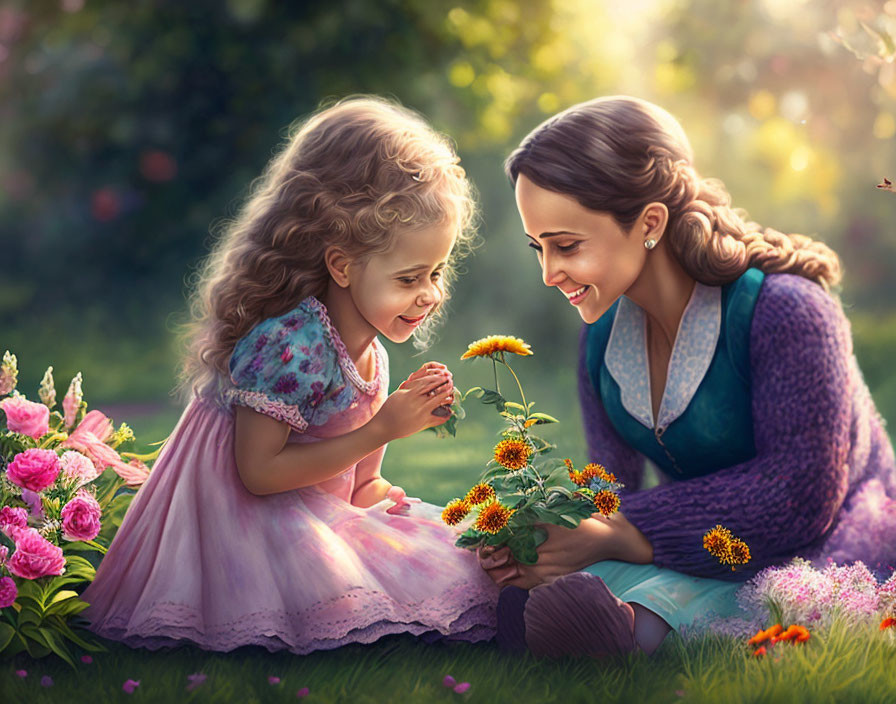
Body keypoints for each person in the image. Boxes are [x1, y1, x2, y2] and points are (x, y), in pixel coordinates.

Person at [479, 95, 896, 658]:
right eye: (539, 249)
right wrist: (551, 530)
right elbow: (611, 484)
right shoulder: (601, 336)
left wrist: (628, 531)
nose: (549, 274)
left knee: (765, 596)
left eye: (567, 246)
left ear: (650, 222)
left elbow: (800, 492)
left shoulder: (784, 311)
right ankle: (580, 621)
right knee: (566, 582)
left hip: (826, 532)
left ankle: (629, 635)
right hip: (700, 534)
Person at [82, 96, 499, 654]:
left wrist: (388, 503)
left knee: (445, 551)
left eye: (437, 272)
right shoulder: (289, 345)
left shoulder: (371, 350)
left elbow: (357, 485)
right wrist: (382, 429)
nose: (428, 295)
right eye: (408, 278)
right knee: (365, 583)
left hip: (312, 508)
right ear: (342, 264)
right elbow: (257, 473)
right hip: (242, 524)